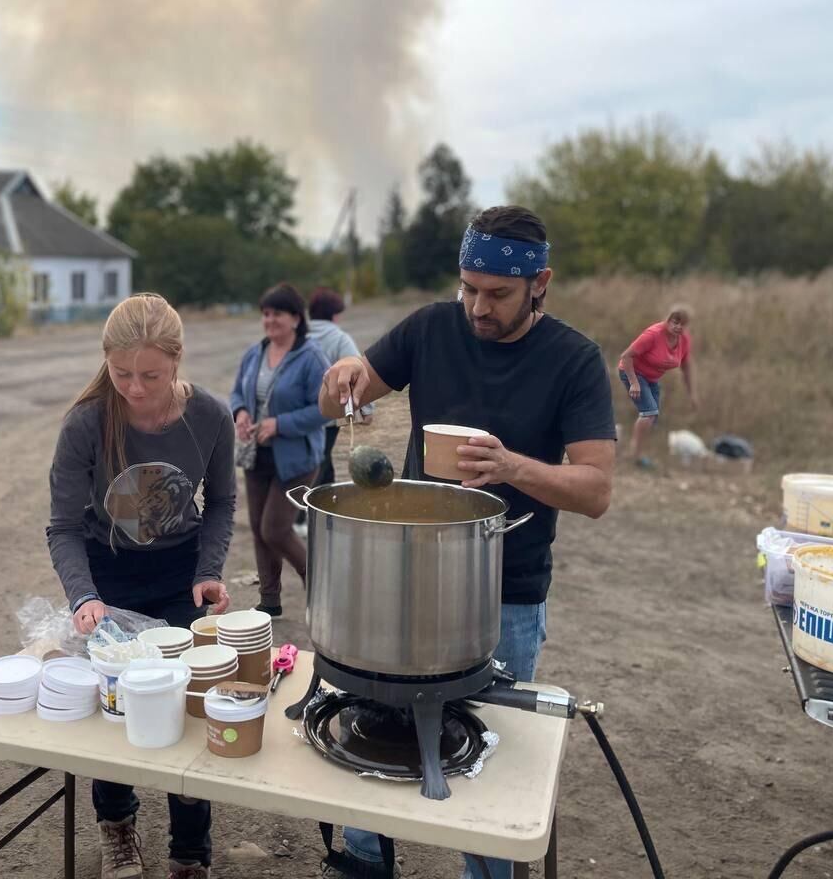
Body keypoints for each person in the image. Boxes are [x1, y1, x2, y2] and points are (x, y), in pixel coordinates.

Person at [318, 206, 616, 879]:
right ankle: (365, 862)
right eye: (469, 287)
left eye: (498, 294)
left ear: (540, 284)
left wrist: (514, 468)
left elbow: (597, 489)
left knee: (487, 771)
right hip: (406, 577)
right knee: (375, 727)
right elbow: (336, 397)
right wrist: (341, 384)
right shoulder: (430, 328)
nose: (479, 307)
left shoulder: (573, 359)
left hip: (506, 594)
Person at [46, 293, 235, 879]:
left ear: (177, 363)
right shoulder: (85, 425)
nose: (132, 387)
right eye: (120, 372)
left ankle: (189, 849)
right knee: (118, 709)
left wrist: (209, 571)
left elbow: (223, 502)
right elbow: (63, 526)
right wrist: (83, 595)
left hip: (182, 578)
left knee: (186, 708)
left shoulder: (209, 417)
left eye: (149, 374)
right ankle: (118, 829)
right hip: (110, 581)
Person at [230, 282, 330, 617]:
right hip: (257, 455)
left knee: (275, 528)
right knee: (259, 530)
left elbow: (323, 409)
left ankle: (320, 587)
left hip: (297, 459)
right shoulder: (254, 352)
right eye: (266, 313)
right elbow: (238, 394)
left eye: (277, 314)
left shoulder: (311, 358)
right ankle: (269, 601)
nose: (270, 320)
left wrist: (280, 424)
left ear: (295, 319)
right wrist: (241, 413)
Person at [291, 288, 375, 533]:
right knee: (320, 463)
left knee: (313, 464)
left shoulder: (297, 335)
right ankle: (306, 518)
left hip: (296, 415)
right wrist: (366, 409)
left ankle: (315, 514)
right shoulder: (339, 338)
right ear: (335, 315)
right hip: (325, 418)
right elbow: (359, 374)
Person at [617, 304, 699, 468]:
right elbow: (626, 356)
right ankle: (635, 456)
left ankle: (631, 450)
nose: (678, 327)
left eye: (682, 324)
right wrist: (634, 383)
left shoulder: (683, 340)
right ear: (668, 320)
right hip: (632, 372)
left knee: (652, 417)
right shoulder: (653, 334)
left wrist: (692, 394)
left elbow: (686, 366)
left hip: (651, 378)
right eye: (675, 322)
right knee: (649, 412)